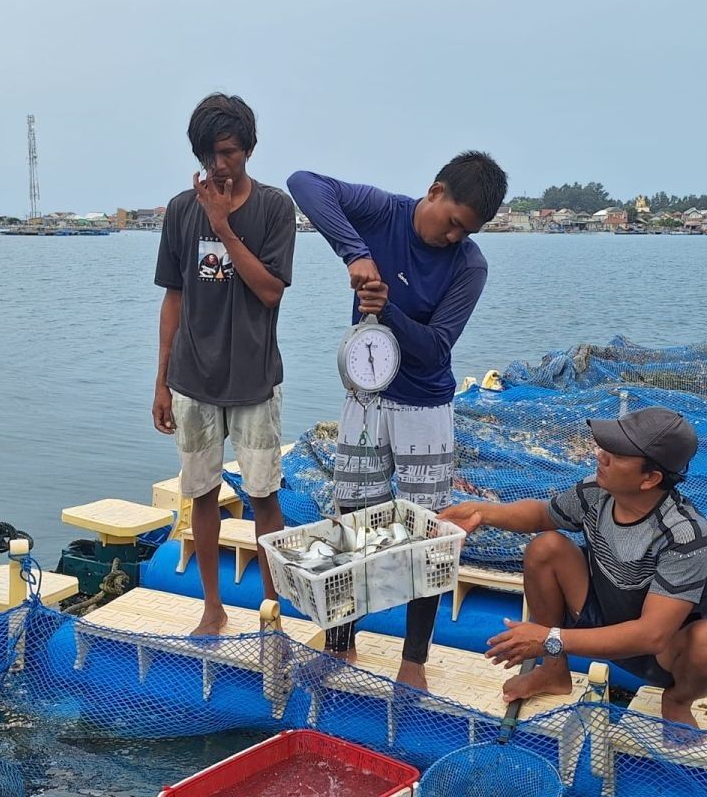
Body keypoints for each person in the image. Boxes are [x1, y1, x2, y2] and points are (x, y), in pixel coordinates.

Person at [288, 152, 508, 689]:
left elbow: (435, 351)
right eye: (454, 221)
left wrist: (386, 309)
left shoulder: (470, 266)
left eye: (468, 231)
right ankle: (342, 644)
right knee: (351, 522)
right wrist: (354, 252)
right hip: (365, 399)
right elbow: (304, 182)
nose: (455, 236)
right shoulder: (383, 212)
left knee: (426, 538)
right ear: (434, 192)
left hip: (425, 410)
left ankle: (414, 662)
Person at [438, 407, 707, 729]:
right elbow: (541, 516)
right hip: (601, 615)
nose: (601, 455)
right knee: (546, 547)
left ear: (650, 478)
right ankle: (554, 672)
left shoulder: (685, 534)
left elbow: (652, 634)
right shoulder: (596, 493)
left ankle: (677, 700)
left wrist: (550, 637)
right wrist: (482, 512)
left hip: (661, 651)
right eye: (605, 446)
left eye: (617, 453)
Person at [153, 93, 296, 635]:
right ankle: (212, 607)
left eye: (229, 152)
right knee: (201, 493)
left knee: (263, 496)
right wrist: (162, 381)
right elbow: (173, 298)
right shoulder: (180, 210)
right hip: (192, 378)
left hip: (254, 380)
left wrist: (223, 226)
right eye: (210, 154)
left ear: (249, 149)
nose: (219, 165)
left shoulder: (275, 209)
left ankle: (272, 612)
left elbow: (269, 292)